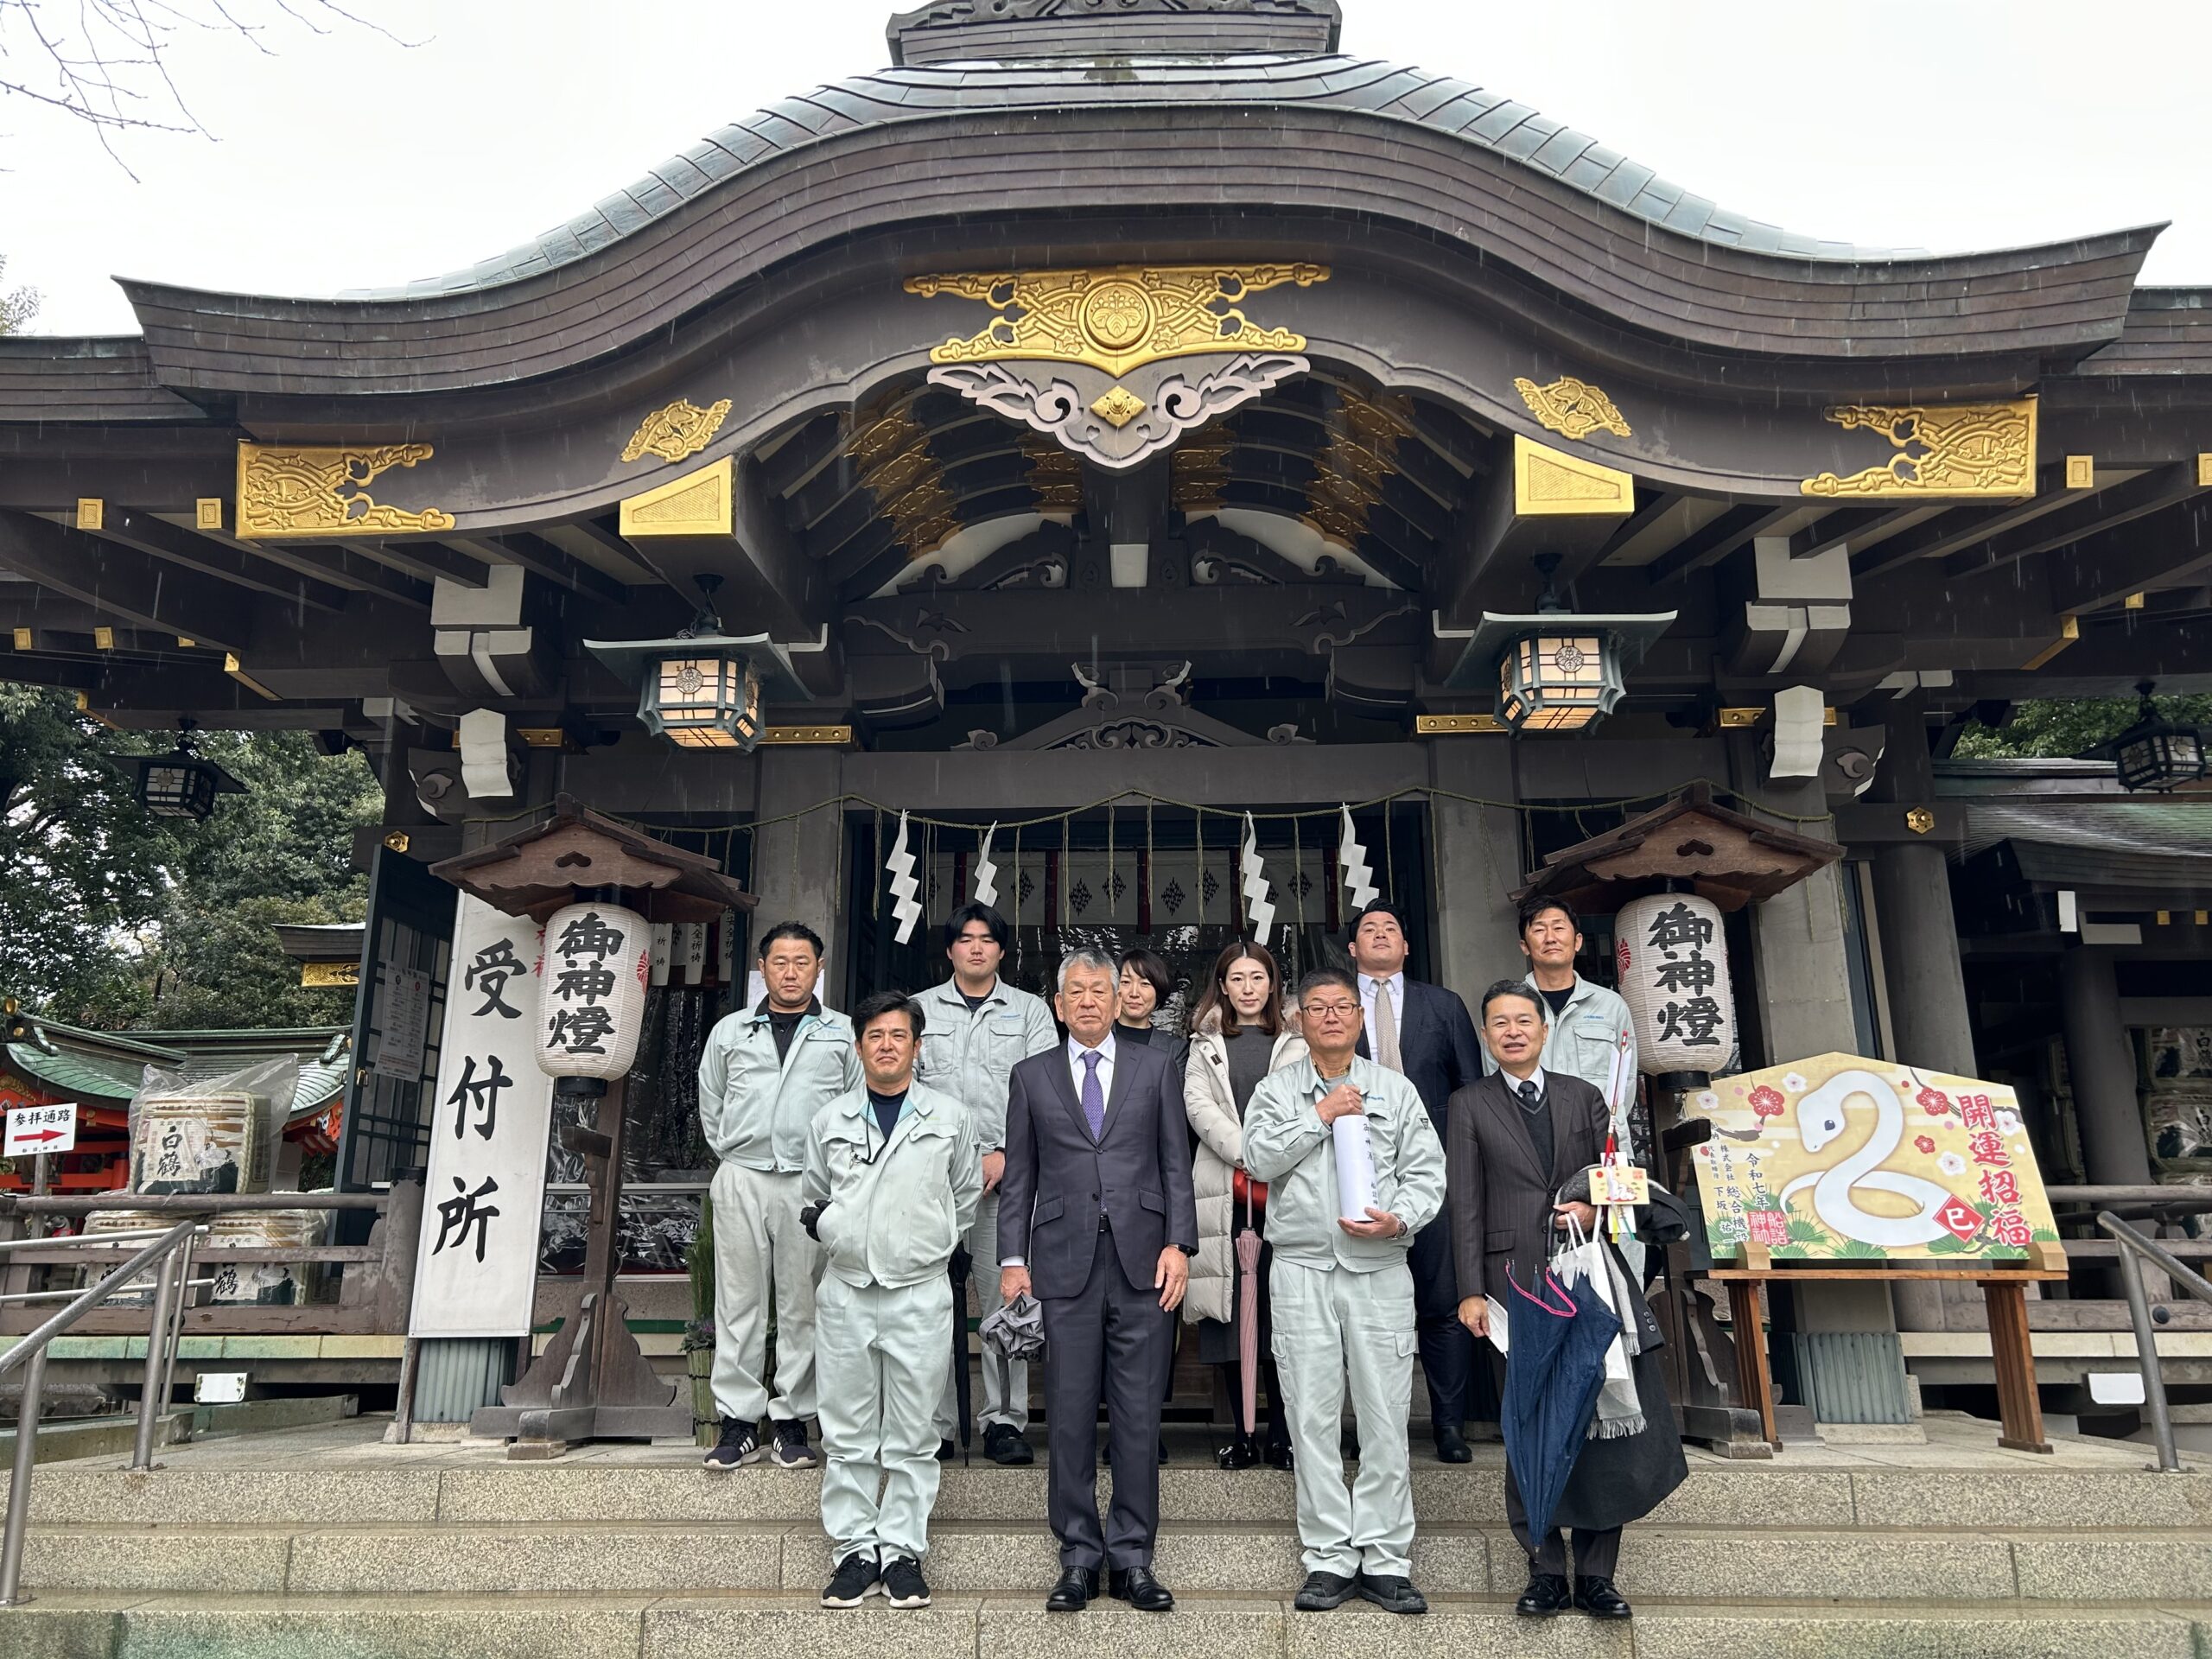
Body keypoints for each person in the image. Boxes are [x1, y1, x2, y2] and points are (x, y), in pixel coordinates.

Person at [1448, 981, 1685, 1623]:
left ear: (1544, 1030)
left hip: (1590, 1280)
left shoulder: (1584, 1097)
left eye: (1524, 1021)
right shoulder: (1468, 1104)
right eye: (1500, 1023)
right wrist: (1470, 1290)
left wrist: (1593, 1204)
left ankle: (1600, 1576)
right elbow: (1464, 1203)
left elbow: (1617, 1177)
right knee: (1530, 1426)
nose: (1514, 1031)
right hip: (1513, 1287)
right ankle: (1546, 1568)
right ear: (1488, 1036)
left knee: (1605, 1418)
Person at [998, 948, 1197, 1615]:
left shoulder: (1157, 1066)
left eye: (1098, 991)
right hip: (1060, 1262)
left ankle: (1134, 1556)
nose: (1087, 1000)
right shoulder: (1031, 1076)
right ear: (1058, 1005)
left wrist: (1180, 1243)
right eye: (1074, 991)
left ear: (1118, 1001)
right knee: (1071, 1413)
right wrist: (1012, 1260)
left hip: (1144, 1260)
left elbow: (1176, 1164)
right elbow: (1018, 1179)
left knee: (1139, 1415)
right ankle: (1079, 1555)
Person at [1243, 967, 1443, 1618]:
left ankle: (1385, 1557)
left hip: (1380, 1267)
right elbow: (1257, 1158)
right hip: (1300, 1270)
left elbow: (1426, 1174)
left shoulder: (1395, 1089)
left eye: (1343, 1007)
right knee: (1311, 1420)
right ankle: (1328, 1556)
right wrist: (1319, 1116)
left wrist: (1401, 1217)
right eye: (1318, 1008)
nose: (1331, 1017)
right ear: (1299, 1020)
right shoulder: (1277, 1091)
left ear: (1360, 1018)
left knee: (1385, 1417)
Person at [804, 991, 983, 1612]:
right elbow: (816, 1194)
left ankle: (902, 1551)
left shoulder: (951, 1117)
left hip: (919, 1292)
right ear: (860, 1047)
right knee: (849, 1432)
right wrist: (838, 1231)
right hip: (848, 1291)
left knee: (912, 1434)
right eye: (875, 1035)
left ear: (917, 1045)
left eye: (898, 1035)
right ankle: (854, 1551)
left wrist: (927, 1240)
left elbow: (965, 1196)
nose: (886, 1044)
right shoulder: (829, 1121)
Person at [695, 921, 861, 1471]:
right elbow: (711, 1101)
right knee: (738, 1302)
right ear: (762, 968)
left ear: (819, 968)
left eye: (802, 962)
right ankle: (739, 1421)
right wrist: (737, 1151)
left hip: (808, 1183)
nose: (791, 972)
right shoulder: (731, 1031)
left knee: (802, 1304)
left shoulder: (841, 1033)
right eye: (780, 962)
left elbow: (855, 1106)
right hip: (742, 1174)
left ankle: (791, 1420)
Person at [915, 903, 1059, 1465]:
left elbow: (1047, 1095)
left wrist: (1008, 1155)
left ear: (1002, 950)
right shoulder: (919, 1011)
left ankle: (1004, 1422)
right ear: (950, 950)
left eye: (987, 939)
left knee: (1010, 1302)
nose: (976, 947)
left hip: (1007, 1182)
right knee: (929, 1305)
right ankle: (939, 1423)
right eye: (965, 939)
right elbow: (907, 1093)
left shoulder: (1029, 1013)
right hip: (933, 1184)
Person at [1344, 901, 1485, 1461]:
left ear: (1406, 946)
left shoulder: (1443, 1006)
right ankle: (1371, 1426)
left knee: (1442, 1298)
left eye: (1390, 929)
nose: (1380, 936)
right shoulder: (1333, 1005)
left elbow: (1470, 1090)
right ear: (1352, 949)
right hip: (1355, 1171)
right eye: (1367, 931)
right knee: (1361, 1304)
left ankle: (1448, 1425)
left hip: (1430, 1173)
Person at [1182, 938, 1305, 1470]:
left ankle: (1282, 1432)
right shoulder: (1203, 1045)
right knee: (1229, 1316)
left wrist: (1268, 1158)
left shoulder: (1296, 1044)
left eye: (1258, 978)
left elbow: (1305, 1106)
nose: (1248, 988)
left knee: (1284, 1316)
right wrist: (1246, 1154)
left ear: (1272, 984)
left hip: (1285, 1195)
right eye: (1237, 979)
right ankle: (1241, 1432)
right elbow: (1198, 1107)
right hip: (1223, 1192)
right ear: (1223, 986)